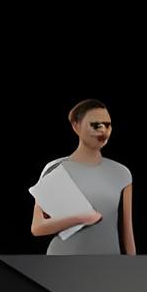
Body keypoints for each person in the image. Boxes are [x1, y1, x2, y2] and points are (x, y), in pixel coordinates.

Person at [29, 98, 135, 255]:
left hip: (108, 262)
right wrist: (81, 218)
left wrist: (133, 265)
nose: (103, 131)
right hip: (62, 260)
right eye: (96, 125)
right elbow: (37, 227)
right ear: (76, 126)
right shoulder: (55, 169)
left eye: (107, 125)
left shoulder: (122, 173)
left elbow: (127, 233)